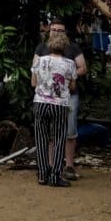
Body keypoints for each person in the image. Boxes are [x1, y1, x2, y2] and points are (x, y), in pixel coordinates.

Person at [33, 19, 87, 181]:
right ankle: (52, 170)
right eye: (54, 30)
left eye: (60, 30)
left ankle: (62, 168)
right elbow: (36, 72)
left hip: (55, 99)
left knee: (64, 132)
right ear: (49, 31)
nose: (56, 33)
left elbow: (34, 79)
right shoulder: (42, 49)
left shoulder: (73, 48)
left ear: (65, 33)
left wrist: (60, 75)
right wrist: (66, 75)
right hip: (56, 100)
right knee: (56, 134)